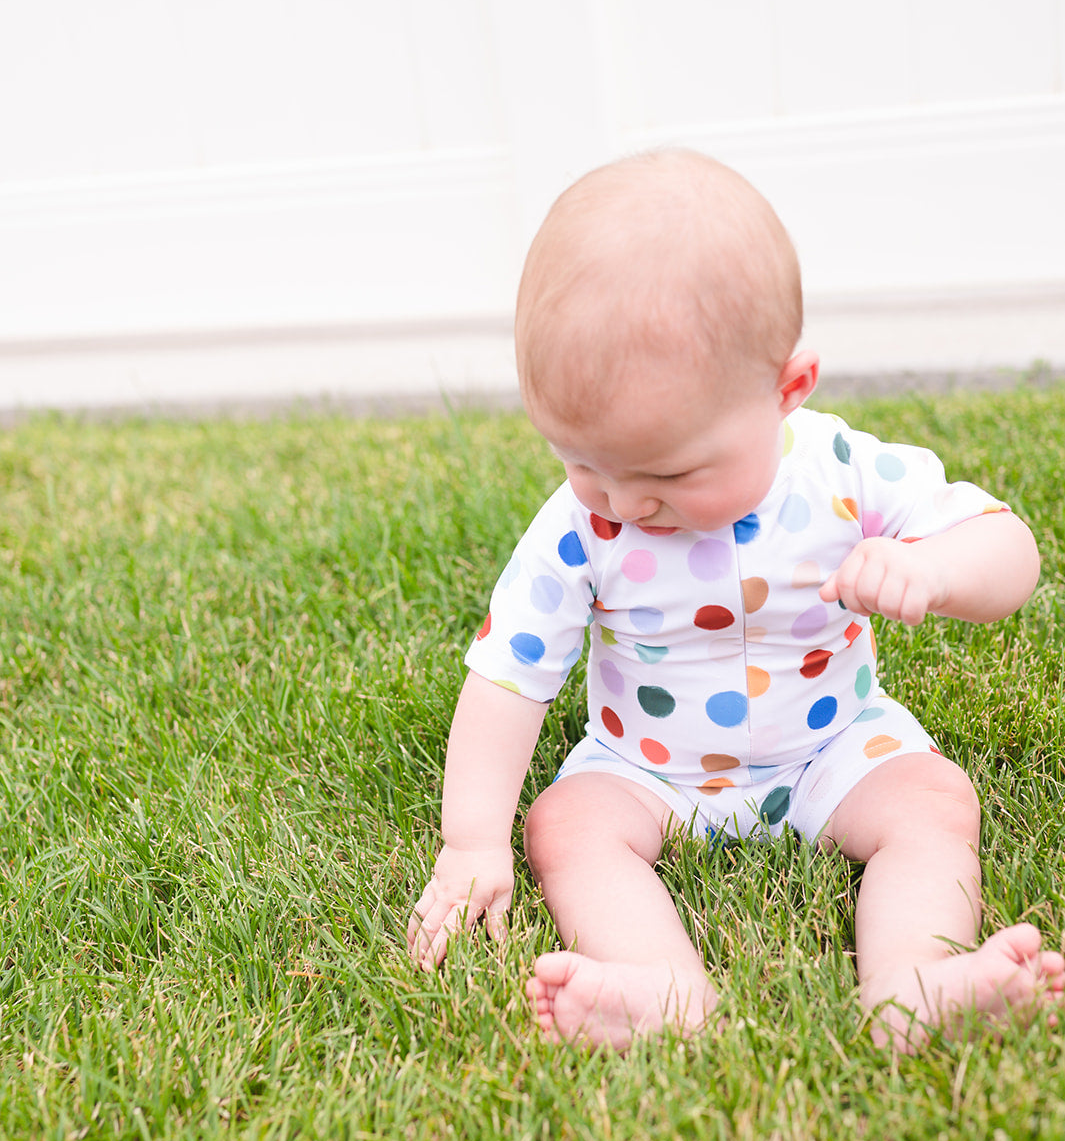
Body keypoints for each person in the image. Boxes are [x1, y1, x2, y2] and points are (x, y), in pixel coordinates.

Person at [407, 148, 1063, 1052]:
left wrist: (936, 570)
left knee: (932, 801)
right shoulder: (578, 527)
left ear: (786, 390)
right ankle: (660, 988)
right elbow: (506, 679)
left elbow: (1011, 551)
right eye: (583, 461)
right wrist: (472, 841)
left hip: (833, 746)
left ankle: (914, 983)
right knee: (566, 826)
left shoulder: (839, 469)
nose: (626, 502)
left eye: (670, 472)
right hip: (649, 768)